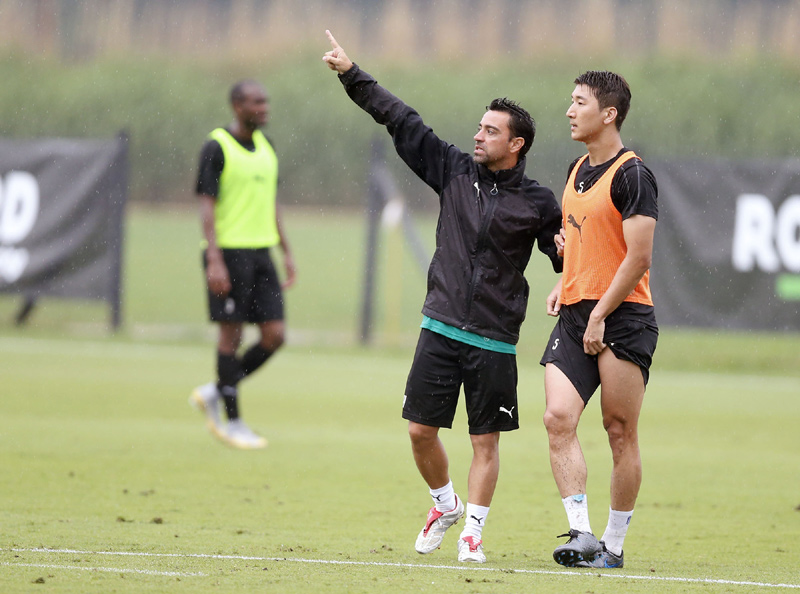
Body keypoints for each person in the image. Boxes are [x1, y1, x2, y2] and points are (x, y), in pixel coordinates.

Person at [323, 31, 562, 563]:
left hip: (496, 339)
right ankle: (444, 503)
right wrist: (351, 73)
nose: (478, 136)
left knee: (485, 442)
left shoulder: (540, 202)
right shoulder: (453, 171)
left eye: (490, 131)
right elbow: (403, 121)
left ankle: (473, 533)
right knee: (418, 431)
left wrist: (567, 254)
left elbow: (562, 255)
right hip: (441, 326)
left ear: (516, 144)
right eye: (479, 127)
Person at [540, 70, 658, 568]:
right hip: (575, 313)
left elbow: (638, 258)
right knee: (557, 418)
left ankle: (613, 545)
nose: (569, 110)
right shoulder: (574, 168)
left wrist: (600, 314)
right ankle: (581, 534)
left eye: (580, 102)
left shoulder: (633, 174)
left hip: (624, 317)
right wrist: (564, 279)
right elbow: (587, 243)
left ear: (608, 114)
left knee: (618, 430)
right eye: (570, 101)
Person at [190, 79, 296, 450]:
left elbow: (271, 202)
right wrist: (214, 259)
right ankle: (232, 422)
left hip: (261, 253)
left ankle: (217, 389)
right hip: (229, 254)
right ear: (237, 106)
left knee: (275, 335)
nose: (264, 108)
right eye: (256, 102)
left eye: (266, 102)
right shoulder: (216, 146)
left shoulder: (268, 148)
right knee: (231, 337)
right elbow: (206, 205)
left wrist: (286, 250)